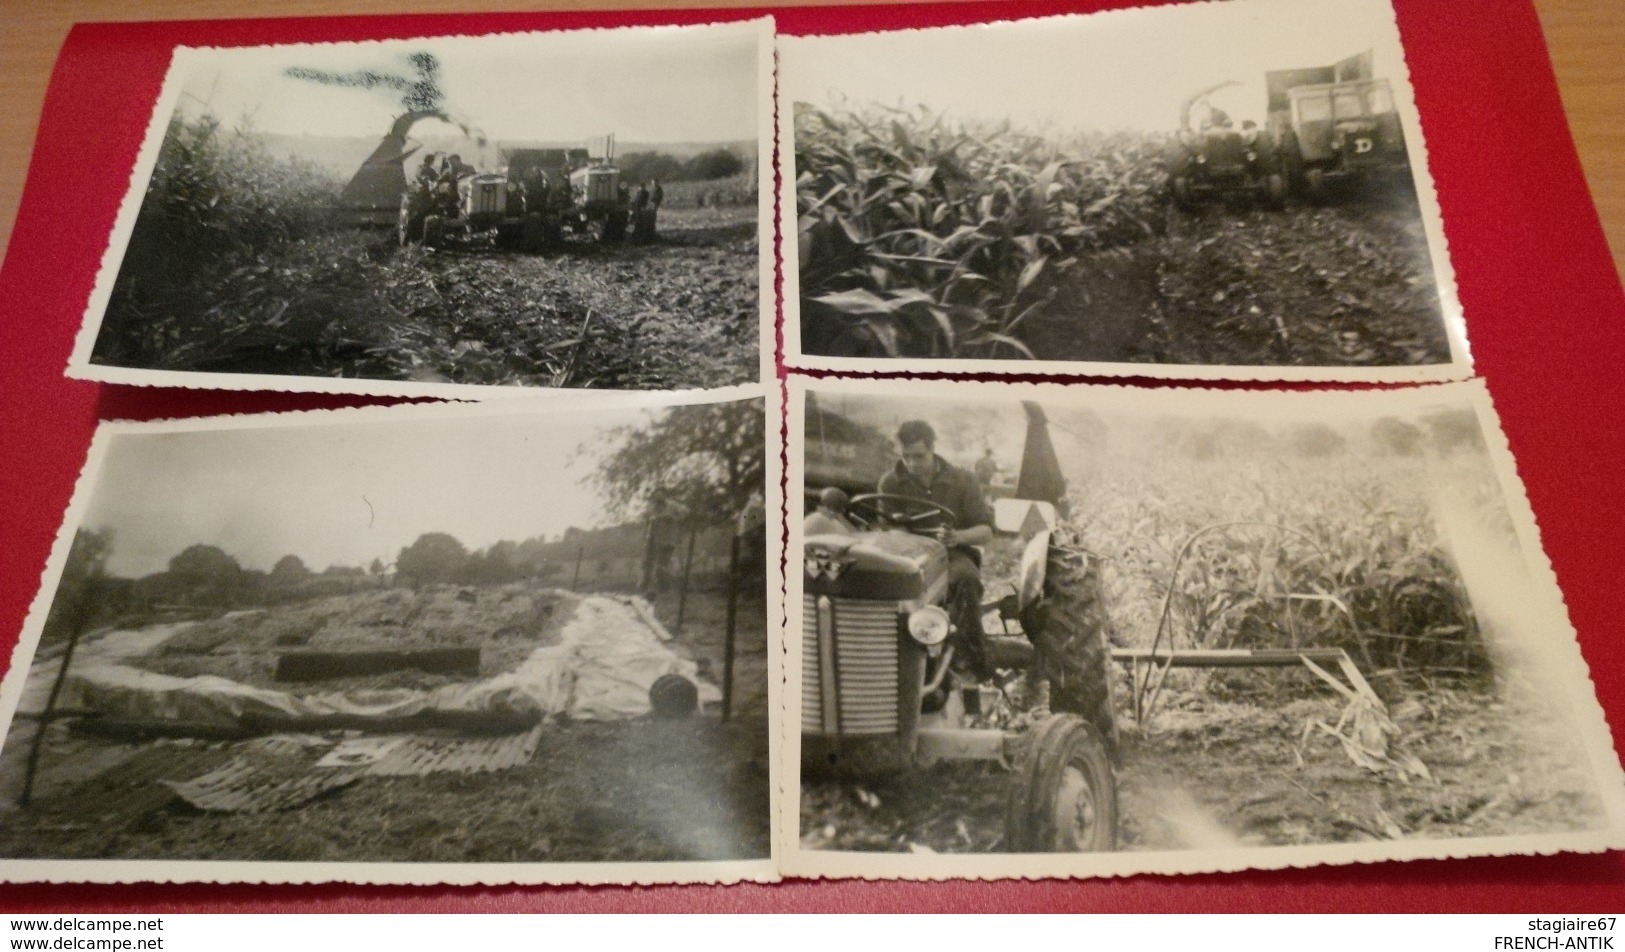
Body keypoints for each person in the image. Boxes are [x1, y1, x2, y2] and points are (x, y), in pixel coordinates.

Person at [878, 420, 996, 678]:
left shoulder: (963, 480)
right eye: (905, 457)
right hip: (906, 557)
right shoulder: (891, 482)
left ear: (933, 449)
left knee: (965, 580)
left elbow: (986, 532)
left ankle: (971, 661)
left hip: (952, 554)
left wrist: (958, 536)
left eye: (919, 456)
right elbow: (885, 529)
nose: (911, 464)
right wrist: (899, 533)